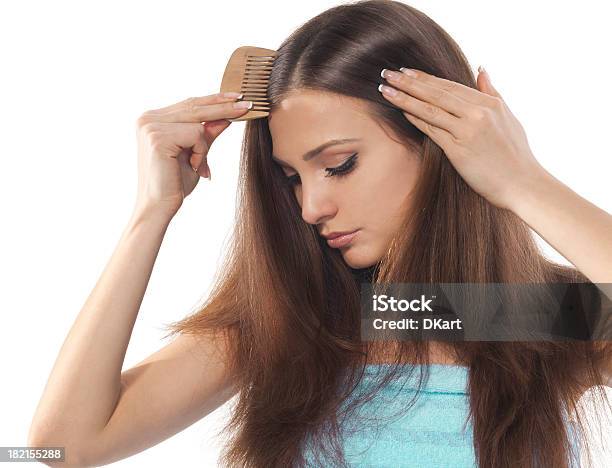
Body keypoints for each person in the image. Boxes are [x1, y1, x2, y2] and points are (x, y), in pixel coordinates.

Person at [28, 1, 612, 467]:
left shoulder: (525, 315)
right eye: (291, 178)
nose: (311, 207)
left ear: (438, 143)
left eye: (338, 164)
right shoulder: (304, 318)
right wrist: (150, 213)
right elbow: (63, 448)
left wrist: (522, 181)